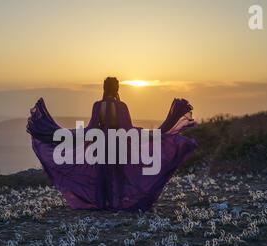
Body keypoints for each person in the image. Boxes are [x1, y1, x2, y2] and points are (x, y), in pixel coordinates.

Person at [27, 77, 197, 212]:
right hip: (119, 142)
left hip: (101, 143)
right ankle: (118, 203)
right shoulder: (122, 106)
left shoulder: (97, 105)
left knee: (103, 173)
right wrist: (147, 134)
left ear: (104, 88)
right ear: (116, 89)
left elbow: (92, 128)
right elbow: (127, 128)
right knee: (119, 173)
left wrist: (69, 135)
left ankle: (104, 203)